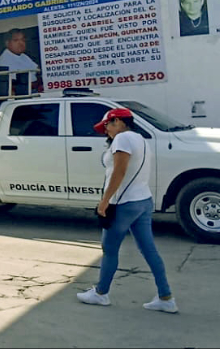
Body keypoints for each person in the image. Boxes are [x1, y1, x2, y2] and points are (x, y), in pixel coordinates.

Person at [77, 108, 177, 313]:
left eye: (106, 126)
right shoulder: (141, 139)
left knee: (110, 250)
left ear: (118, 121)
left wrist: (105, 201)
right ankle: (165, 297)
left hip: (123, 203)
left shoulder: (122, 139)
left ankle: (100, 294)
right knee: (149, 250)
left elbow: (120, 171)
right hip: (143, 200)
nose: (106, 132)